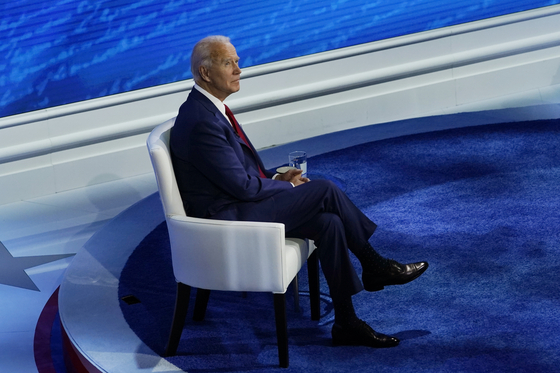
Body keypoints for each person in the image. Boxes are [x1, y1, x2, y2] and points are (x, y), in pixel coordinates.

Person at [170, 35, 428, 348]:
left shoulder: (210, 110)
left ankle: (346, 323)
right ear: (205, 73)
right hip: (227, 219)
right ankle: (376, 265)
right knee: (325, 190)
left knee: (330, 224)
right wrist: (286, 185)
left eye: (237, 61)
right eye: (229, 63)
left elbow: (237, 173)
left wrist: (277, 175)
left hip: (238, 203)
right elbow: (240, 186)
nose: (239, 69)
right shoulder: (201, 121)